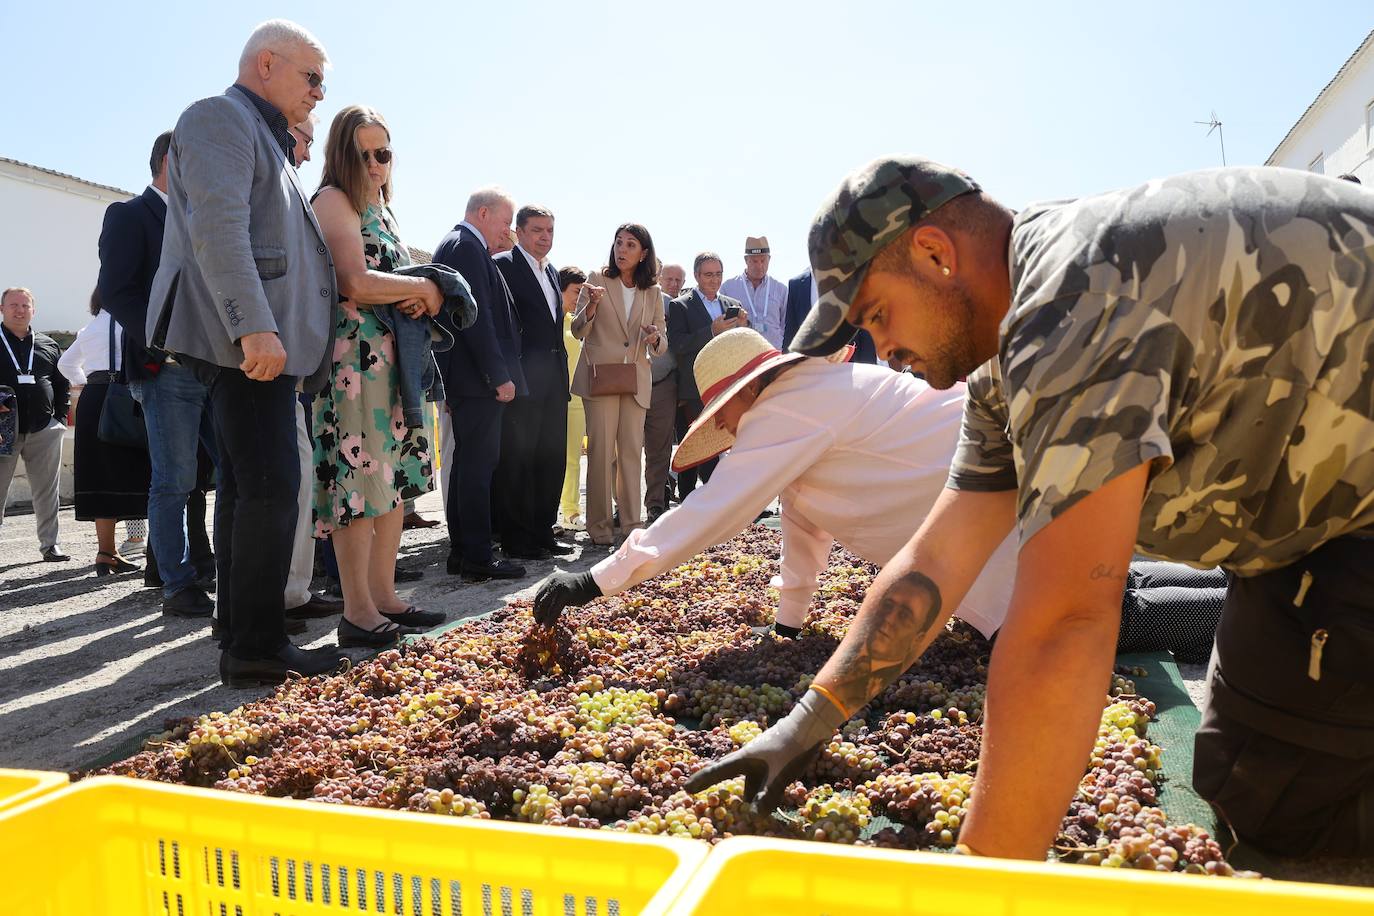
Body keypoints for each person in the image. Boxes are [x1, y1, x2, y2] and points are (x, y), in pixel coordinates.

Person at [690, 156, 1374, 859]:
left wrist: (982, 883)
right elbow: (937, 557)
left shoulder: (1070, 309)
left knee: (1311, 829)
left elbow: (1065, 623)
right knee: (1248, 776)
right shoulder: (1006, 351)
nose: (882, 350)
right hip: (1306, 535)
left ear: (934, 254)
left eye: (878, 315)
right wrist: (809, 720)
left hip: (1356, 523)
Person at [534, 327, 1223, 653]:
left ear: (743, 398)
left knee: (1058, 623)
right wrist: (788, 627)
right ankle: (1247, 591)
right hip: (1007, 479)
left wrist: (597, 581)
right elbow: (804, 530)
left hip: (987, 493)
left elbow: (710, 514)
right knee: (1092, 583)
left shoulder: (786, 413)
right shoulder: (811, 409)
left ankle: (1252, 617)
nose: (729, 430)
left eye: (724, 416)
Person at [146, 18, 348, 686]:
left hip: (258, 345)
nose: (320, 92)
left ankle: (241, 632)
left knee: (245, 486)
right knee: (270, 487)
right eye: (312, 76)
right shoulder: (217, 117)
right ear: (267, 63)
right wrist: (252, 327)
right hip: (247, 343)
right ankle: (257, 646)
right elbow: (220, 230)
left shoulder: (262, 133)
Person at [310, 105, 446, 649]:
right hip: (351, 365)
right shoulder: (333, 200)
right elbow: (356, 282)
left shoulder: (382, 210)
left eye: (382, 153)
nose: (374, 163)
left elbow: (389, 282)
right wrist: (424, 290)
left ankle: (385, 597)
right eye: (361, 153)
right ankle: (358, 612)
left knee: (389, 488)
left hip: (390, 365)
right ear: (341, 154)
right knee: (359, 487)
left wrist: (418, 295)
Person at [98, 130, 216, 604]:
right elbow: (116, 290)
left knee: (228, 472)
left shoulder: (199, 220)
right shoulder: (128, 215)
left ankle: (219, 567)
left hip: (213, 366)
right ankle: (177, 583)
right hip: (164, 369)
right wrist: (163, 338)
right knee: (174, 479)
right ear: (171, 160)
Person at [432, 189, 527, 581]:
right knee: (476, 467)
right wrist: (498, 375)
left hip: (467, 379)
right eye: (505, 222)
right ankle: (476, 555)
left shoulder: (459, 244)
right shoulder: (466, 247)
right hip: (476, 380)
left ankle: (464, 552)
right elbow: (475, 319)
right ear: (483, 213)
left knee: (468, 466)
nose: (507, 231)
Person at [570, 224, 669, 546]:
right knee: (599, 454)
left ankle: (632, 525)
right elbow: (578, 330)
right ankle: (598, 528)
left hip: (636, 378)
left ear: (643, 254)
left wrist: (655, 337)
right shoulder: (596, 279)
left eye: (630, 245)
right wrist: (591, 306)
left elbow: (662, 343)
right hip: (600, 376)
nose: (622, 249)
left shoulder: (652, 291)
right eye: (618, 243)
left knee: (630, 453)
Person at [493, 206, 573, 560]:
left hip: (554, 380)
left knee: (551, 458)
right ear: (519, 232)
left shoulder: (553, 272)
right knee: (518, 461)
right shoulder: (504, 267)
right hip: (522, 382)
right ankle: (517, 539)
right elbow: (501, 328)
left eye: (550, 230)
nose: (545, 236)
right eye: (538, 229)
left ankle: (543, 532)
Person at [57, 289, 150, 576]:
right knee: (145, 470)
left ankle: (105, 553)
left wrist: (86, 383)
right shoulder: (135, 320)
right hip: (127, 395)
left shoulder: (89, 328)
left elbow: (65, 364)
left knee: (101, 474)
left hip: (94, 399)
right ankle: (157, 554)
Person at [667, 253, 746, 500]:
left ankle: (711, 503)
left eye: (718, 274)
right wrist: (711, 330)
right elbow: (678, 344)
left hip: (725, 387)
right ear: (697, 276)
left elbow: (740, 346)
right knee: (694, 448)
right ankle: (693, 501)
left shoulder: (731, 303)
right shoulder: (680, 305)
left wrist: (743, 327)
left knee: (718, 444)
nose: (714, 280)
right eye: (708, 274)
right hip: (694, 390)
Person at [0, 287, 70, 561]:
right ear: (2, 309)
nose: (20, 310)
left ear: (33, 310)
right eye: (13, 305)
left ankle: (50, 545)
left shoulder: (47, 344)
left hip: (44, 428)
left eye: (25, 305)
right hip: (3, 431)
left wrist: (60, 419)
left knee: (47, 491)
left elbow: (61, 382)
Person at [643, 263, 685, 523]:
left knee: (659, 450)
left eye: (677, 279)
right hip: (629, 384)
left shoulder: (672, 306)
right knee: (622, 451)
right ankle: (620, 506)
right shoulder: (624, 296)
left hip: (662, 384)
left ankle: (655, 504)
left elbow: (678, 346)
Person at [783, 266, 877, 364]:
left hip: (849, 369)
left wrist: (869, 370)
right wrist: (786, 370)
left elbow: (866, 331)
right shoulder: (796, 285)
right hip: (810, 369)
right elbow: (790, 334)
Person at [557, 266, 587, 531]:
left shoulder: (579, 322)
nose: (579, 297)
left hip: (577, 400)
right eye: (576, 291)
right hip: (552, 399)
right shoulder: (552, 320)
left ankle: (571, 511)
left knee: (572, 459)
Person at [721, 236, 786, 348]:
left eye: (763, 260)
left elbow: (786, 325)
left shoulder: (781, 289)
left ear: (769, 259)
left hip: (773, 355)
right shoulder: (728, 288)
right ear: (746, 260)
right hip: (741, 354)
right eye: (754, 261)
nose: (759, 266)